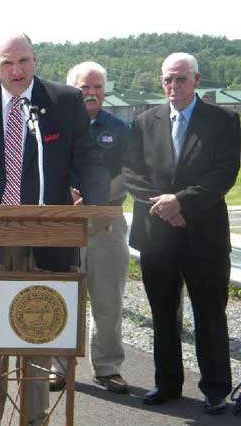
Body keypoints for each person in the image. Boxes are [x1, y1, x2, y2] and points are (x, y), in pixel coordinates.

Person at [0, 33, 109, 426]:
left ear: (35, 61)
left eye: (24, 61)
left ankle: (35, 420)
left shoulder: (63, 101)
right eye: (8, 63)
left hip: (48, 238)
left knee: (39, 331)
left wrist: (96, 207)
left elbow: (89, 160)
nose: (17, 71)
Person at [122, 52, 240, 414]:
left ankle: (215, 389)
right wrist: (166, 208)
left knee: (209, 313)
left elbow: (224, 172)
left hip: (204, 234)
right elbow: (131, 171)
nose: (173, 86)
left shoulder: (222, 120)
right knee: (162, 312)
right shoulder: (145, 121)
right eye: (167, 80)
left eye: (181, 79)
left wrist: (183, 203)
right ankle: (167, 383)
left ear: (197, 81)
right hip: (157, 234)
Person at [49, 62, 130, 394]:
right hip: (64, 223)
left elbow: (130, 173)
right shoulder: (54, 124)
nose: (92, 93)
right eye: (85, 87)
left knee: (108, 300)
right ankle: (58, 366)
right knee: (63, 295)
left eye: (97, 87)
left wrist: (96, 199)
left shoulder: (121, 129)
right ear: (72, 90)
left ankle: (108, 367)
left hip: (107, 223)